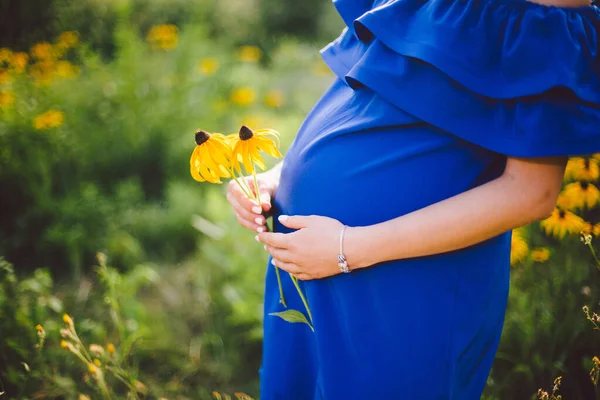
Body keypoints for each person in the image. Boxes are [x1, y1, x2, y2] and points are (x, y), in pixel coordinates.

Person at [226, 0, 600, 398]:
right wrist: (279, 176)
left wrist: (345, 248)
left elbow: (531, 194)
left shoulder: (546, 18)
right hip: (310, 261)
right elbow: (374, 103)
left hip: (399, 275)